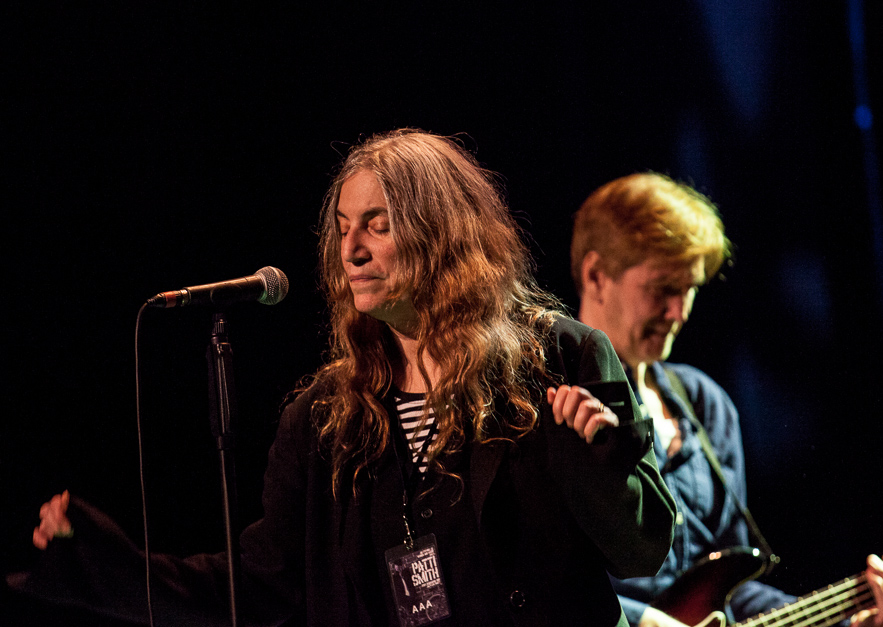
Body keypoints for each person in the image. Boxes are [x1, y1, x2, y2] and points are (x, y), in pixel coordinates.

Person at [11, 130, 677, 627]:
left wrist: (603, 465)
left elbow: (642, 551)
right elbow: (258, 583)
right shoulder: (328, 414)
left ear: (437, 235)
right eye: (343, 228)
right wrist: (108, 565)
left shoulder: (558, 358)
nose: (351, 249)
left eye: (378, 227)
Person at [569, 173, 883, 627]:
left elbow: (732, 590)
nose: (679, 312)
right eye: (663, 288)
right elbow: (533, 580)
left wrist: (854, 621)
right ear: (595, 275)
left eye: (690, 290)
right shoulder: (548, 410)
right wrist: (643, 620)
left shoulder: (705, 404)